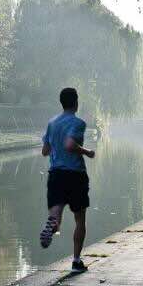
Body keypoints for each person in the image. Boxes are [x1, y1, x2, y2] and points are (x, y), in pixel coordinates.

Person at [39, 87, 94, 273]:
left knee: (56, 215)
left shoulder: (52, 123)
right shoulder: (78, 123)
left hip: (56, 174)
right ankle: (76, 261)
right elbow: (70, 144)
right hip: (75, 174)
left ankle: (52, 224)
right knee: (80, 219)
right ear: (76, 102)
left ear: (62, 103)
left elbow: (45, 151)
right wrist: (87, 152)